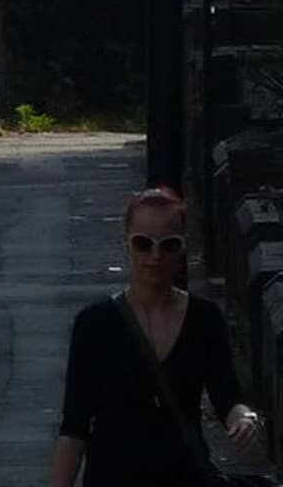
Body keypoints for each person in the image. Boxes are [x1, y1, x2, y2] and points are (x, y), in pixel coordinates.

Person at [50, 186, 263, 486]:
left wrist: (243, 418)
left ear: (183, 247)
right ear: (127, 245)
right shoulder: (95, 325)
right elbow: (74, 427)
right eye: (143, 243)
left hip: (183, 476)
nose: (155, 256)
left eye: (169, 245)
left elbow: (226, 396)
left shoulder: (204, 319)